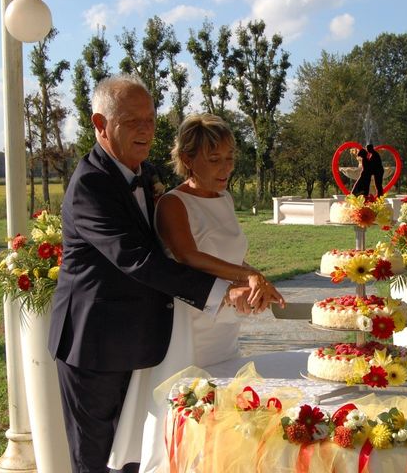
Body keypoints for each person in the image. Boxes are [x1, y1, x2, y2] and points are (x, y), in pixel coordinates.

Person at [47, 75, 262, 473]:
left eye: (150, 118)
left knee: (135, 452)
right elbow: (138, 260)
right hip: (93, 345)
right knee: (94, 460)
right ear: (100, 124)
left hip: (140, 340)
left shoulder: (143, 175)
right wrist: (221, 292)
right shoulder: (91, 184)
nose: (146, 129)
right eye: (132, 121)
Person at [108, 113, 284, 472]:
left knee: (223, 414)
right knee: (188, 414)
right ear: (188, 160)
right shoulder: (174, 203)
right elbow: (189, 256)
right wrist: (248, 275)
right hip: (188, 325)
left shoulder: (226, 199)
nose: (226, 168)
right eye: (214, 159)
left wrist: (252, 283)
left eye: (230, 158)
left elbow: (231, 255)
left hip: (224, 324)